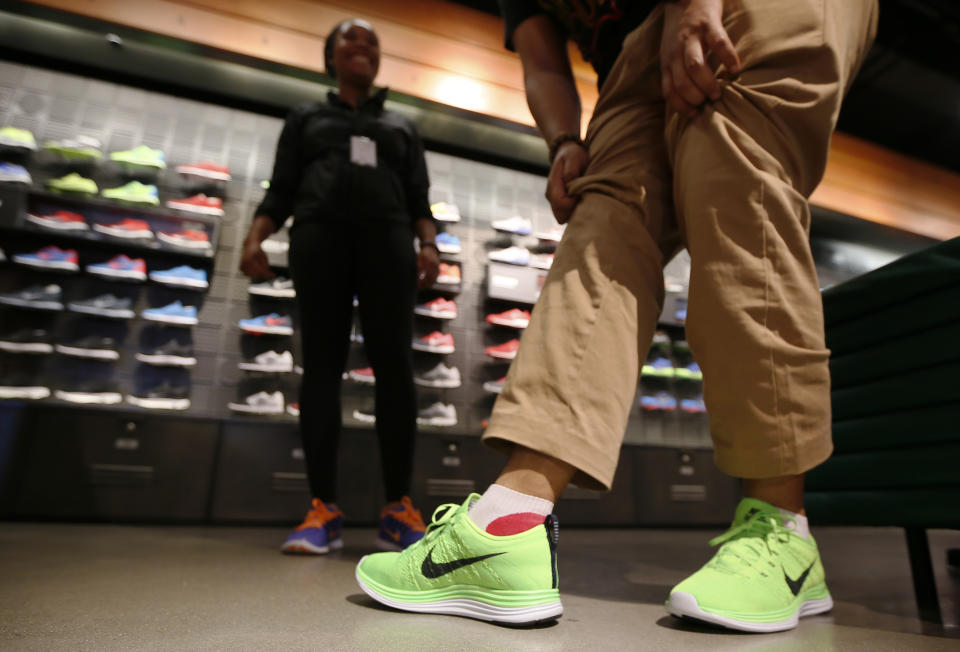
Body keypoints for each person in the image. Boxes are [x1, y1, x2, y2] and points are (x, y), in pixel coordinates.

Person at [353, 0, 879, 632]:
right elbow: (544, 61)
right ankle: (510, 523)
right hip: (635, 43)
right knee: (604, 220)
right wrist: (564, 142)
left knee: (734, 175)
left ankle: (783, 530)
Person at [240, 18, 439, 555]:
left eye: (373, 41)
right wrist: (255, 238)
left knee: (395, 367)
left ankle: (399, 508)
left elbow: (418, 195)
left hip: (388, 244)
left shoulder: (401, 126)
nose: (363, 46)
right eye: (351, 39)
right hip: (320, 239)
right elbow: (281, 188)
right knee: (321, 368)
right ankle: (322, 509)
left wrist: (429, 244)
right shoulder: (306, 117)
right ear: (330, 57)